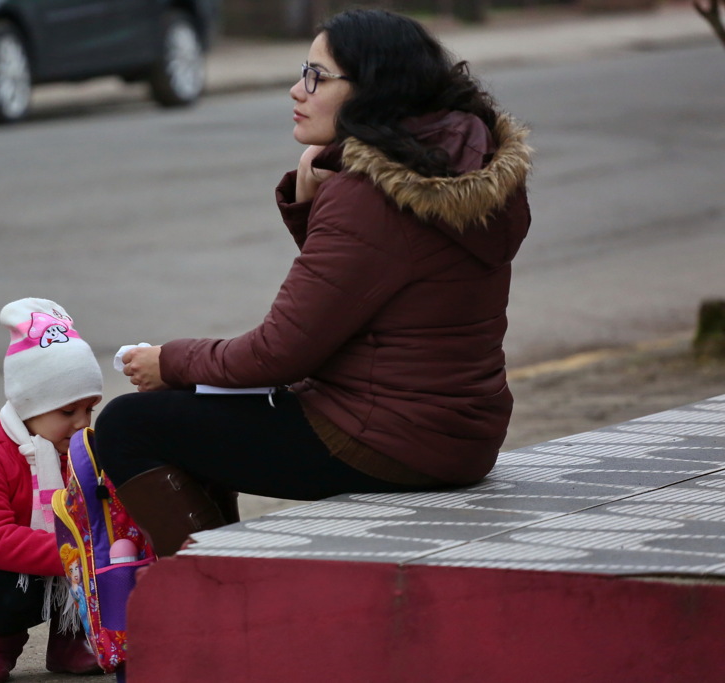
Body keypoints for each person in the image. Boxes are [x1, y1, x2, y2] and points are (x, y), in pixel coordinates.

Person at [94, 9, 532, 558]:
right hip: (460, 434)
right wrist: (312, 207)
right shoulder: (463, 171)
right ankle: (218, 562)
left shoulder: (370, 197)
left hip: (385, 439)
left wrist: (169, 361)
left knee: (131, 425)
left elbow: (281, 353)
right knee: (200, 404)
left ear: (372, 90)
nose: (297, 89)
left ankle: (211, 588)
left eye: (318, 77)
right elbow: (369, 296)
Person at [0, 298, 105, 683]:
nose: (82, 425)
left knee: (99, 560)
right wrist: (77, 551)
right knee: (17, 583)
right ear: (30, 406)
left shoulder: (80, 452)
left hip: (59, 561)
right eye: (68, 412)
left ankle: (69, 643)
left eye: (89, 410)